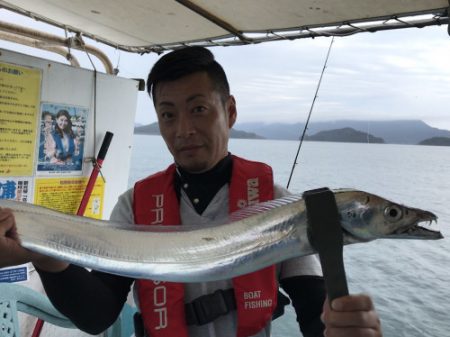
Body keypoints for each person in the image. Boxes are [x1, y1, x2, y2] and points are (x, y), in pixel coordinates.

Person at [0, 47, 382, 337]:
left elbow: (314, 310)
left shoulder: (278, 206)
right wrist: (46, 258)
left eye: (198, 109)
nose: (183, 129)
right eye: (168, 115)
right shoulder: (135, 206)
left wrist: (344, 325)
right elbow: (98, 315)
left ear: (229, 111)